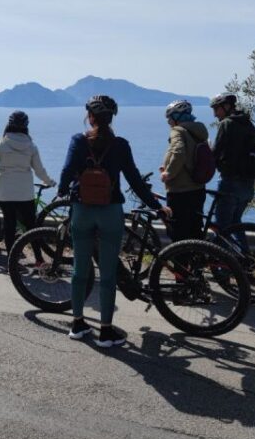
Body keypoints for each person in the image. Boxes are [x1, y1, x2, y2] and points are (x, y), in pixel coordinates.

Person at [58, 95, 171, 348]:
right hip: (110, 212)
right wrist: (157, 207)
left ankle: (77, 324)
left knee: (80, 270)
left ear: (90, 116)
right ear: (111, 118)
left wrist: (63, 189)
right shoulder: (120, 144)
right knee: (108, 274)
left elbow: (65, 172)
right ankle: (106, 332)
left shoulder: (78, 140)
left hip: (82, 210)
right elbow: (135, 181)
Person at [0, 110, 56, 254]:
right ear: (26, 126)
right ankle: (39, 260)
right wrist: (50, 181)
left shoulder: (0, 142)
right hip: (25, 193)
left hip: (5, 192)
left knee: (9, 225)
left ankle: (12, 261)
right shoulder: (31, 146)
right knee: (31, 227)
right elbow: (39, 171)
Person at [210, 93, 255, 248]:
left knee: (221, 226)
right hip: (248, 184)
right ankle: (245, 261)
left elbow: (216, 153)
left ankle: (222, 267)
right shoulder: (248, 125)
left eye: (216, 108)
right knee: (236, 224)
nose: (215, 113)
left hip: (230, 182)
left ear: (227, 106)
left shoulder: (227, 124)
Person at [159, 100, 209, 241]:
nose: (168, 121)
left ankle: (181, 262)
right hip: (198, 189)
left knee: (178, 233)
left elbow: (179, 151)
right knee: (195, 230)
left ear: (177, 117)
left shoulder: (178, 131)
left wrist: (168, 173)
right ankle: (196, 261)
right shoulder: (199, 132)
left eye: (170, 117)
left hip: (180, 191)